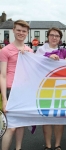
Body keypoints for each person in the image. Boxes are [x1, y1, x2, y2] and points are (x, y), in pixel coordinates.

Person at [36, 27, 66, 150]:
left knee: (59, 118)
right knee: (47, 117)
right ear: (48, 36)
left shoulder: (64, 52)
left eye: (57, 36)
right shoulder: (40, 50)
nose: (54, 37)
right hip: (45, 88)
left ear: (60, 39)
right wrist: (47, 57)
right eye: (52, 35)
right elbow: (35, 64)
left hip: (61, 87)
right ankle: (47, 145)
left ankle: (57, 145)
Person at [0, 20, 33, 150]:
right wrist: (4, 99)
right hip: (10, 90)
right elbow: (2, 75)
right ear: (13, 30)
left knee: (20, 125)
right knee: (11, 127)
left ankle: (18, 148)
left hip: (23, 91)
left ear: (27, 33)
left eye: (24, 31)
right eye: (18, 30)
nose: (21, 33)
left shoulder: (30, 50)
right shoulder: (5, 50)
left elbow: (33, 72)